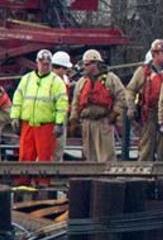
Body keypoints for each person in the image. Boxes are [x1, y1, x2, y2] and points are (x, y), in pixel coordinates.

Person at [10, 50, 68, 184]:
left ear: (50, 64)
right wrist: (15, 117)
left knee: (44, 158)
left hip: (46, 126)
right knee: (25, 156)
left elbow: (62, 105)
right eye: (42, 63)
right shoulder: (27, 79)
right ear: (37, 62)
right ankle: (22, 184)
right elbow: (18, 98)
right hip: (28, 124)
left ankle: (43, 185)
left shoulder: (56, 82)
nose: (45, 66)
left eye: (47, 64)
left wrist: (59, 123)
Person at [70, 49, 127, 162]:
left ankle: (108, 177)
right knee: (89, 155)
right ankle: (91, 177)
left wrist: (114, 114)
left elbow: (122, 97)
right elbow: (76, 102)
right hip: (86, 123)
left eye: (87, 64)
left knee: (106, 155)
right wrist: (73, 120)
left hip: (103, 122)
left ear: (95, 64)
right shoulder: (82, 82)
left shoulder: (111, 79)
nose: (84, 67)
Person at [126, 39, 163, 161]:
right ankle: (142, 176)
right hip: (149, 114)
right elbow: (130, 90)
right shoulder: (143, 72)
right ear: (154, 54)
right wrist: (131, 107)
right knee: (146, 147)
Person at [51, 51, 73, 161]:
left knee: (59, 149)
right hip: (53, 118)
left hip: (61, 117)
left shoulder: (64, 79)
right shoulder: (50, 80)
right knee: (53, 149)